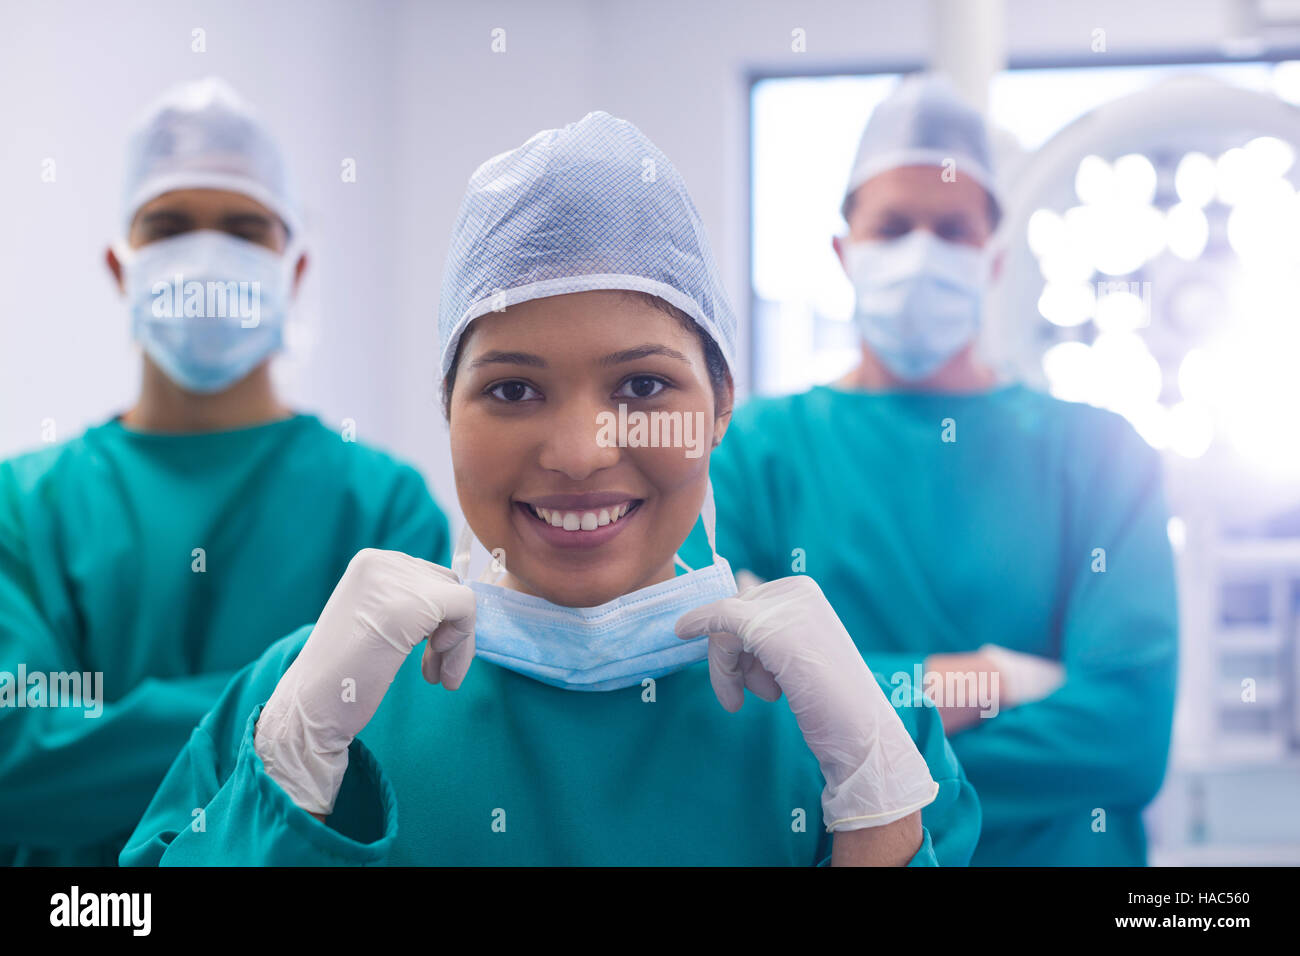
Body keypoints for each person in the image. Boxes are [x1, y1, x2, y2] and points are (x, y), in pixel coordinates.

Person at [121, 111, 980, 866]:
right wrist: (286, 781)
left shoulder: (864, 731)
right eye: (512, 390)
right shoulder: (297, 700)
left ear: (721, 408)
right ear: (446, 412)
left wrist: (877, 824)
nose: (578, 453)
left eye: (643, 387)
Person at [711, 74, 1178, 866]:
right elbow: (730, 720)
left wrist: (853, 740)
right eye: (892, 227)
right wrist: (983, 681)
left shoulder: (1102, 454)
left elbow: (1126, 737)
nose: (920, 252)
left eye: (952, 229)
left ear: (993, 260)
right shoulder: (755, 450)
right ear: (843, 252)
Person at [0, 77, 449, 866]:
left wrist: (106, 727)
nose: (208, 256)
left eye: (244, 229)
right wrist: (292, 708)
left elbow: (389, 758)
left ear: (295, 268)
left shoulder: (384, 506)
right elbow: (18, 762)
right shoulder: (24, 506)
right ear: (120, 264)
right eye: (169, 225)